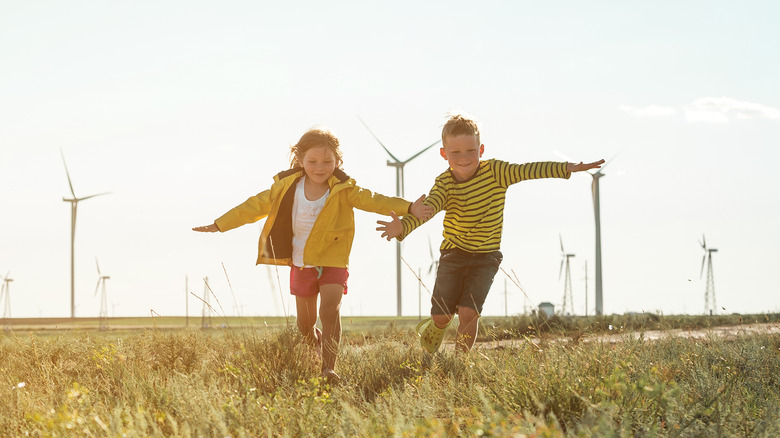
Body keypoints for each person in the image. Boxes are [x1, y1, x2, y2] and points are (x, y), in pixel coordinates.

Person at [193, 127, 433, 382]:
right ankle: (317, 344)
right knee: (305, 326)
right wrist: (220, 224)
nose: (320, 167)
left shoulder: (344, 189)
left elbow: (375, 200)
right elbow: (252, 206)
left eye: (328, 162)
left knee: (330, 311)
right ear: (300, 161)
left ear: (337, 161)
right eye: (313, 162)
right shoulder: (285, 187)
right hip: (302, 263)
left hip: (333, 260)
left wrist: (408, 207)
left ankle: (328, 368)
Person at [376, 114, 604, 354]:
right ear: (444, 154)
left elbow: (529, 170)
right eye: (455, 153)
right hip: (453, 253)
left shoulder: (497, 172)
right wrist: (403, 226)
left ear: (481, 149)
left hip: (486, 257)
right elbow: (428, 209)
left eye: (470, 151)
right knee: (442, 316)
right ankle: (437, 325)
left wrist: (566, 168)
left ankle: (460, 360)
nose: (463, 158)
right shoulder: (444, 183)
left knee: (469, 312)